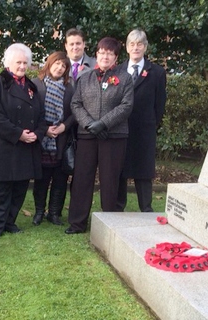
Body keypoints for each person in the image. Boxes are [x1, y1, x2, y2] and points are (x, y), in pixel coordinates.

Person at [65, 37, 134, 234]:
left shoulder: (125, 78)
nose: (105, 56)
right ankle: (77, 223)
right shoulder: (85, 78)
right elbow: (76, 104)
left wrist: (103, 123)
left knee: (110, 179)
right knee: (81, 179)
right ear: (96, 55)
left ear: (116, 57)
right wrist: (89, 124)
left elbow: (126, 106)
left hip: (114, 137)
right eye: (102, 52)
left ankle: (109, 221)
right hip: (87, 136)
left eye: (109, 53)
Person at [0, 43, 46, 242]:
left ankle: (10, 222)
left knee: (20, 188)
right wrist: (19, 134)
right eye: (18, 62)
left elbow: (41, 116)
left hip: (26, 147)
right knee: (1, 190)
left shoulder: (31, 87)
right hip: (5, 145)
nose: (22, 66)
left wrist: (37, 133)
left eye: (25, 62)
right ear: (8, 63)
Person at [116, 29, 167, 212]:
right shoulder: (117, 70)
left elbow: (160, 104)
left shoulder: (157, 72)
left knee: (144, 170)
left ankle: (146, 208)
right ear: (127, 47)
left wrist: (151, 124)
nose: (135, 47)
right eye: (132, 44)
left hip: (144, 130)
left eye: (139, 44)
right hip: (120, 128)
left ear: (145, 47)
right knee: (120, 169)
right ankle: (118, 207)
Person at [31, 51, 76, 226]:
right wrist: (44, 130)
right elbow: (31, 112)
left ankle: (54, 212)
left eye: (63, 65)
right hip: (42, 139)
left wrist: (64, 126)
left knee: (60, 179)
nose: (59, 67)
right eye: (57, 63)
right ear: (49, 63)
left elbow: (74, 112)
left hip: (62, 139)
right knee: (41, 179)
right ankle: (39, 212)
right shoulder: (36, 84)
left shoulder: (70, 88)